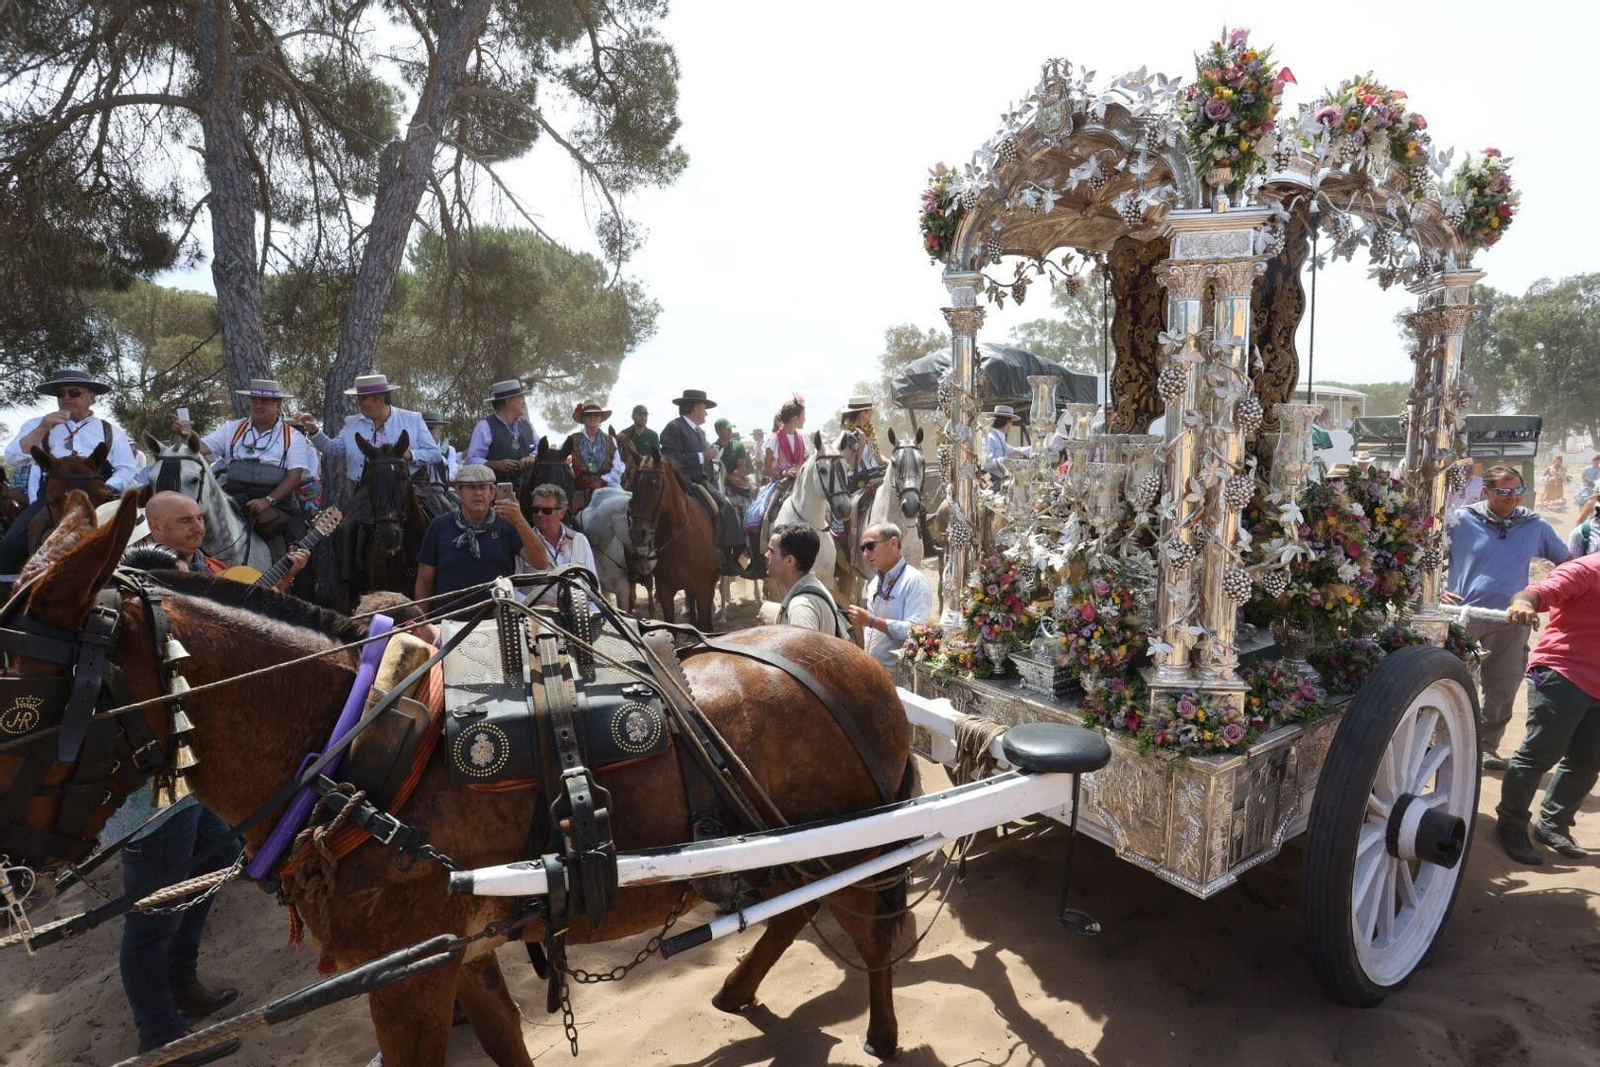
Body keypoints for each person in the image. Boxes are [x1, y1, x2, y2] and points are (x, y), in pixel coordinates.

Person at [1442, 464, 1569, 769]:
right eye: (1504, 491)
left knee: (1503, 685)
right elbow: (1426, 556)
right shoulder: (1460, 520)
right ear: (1485, 491)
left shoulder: (1535, 525)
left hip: (1511, 622)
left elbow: (1566, 565)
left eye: (1517, 491)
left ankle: (1486, 746)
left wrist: (1538, 593)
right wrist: (1436, 591)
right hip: (1461, 619)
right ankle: (1441, 744)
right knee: (1448, 682)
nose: (1512, 498)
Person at [1494, 552, 1600, 863]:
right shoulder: (1587, 568)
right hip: (1563, 673)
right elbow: (1539, 592)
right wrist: (1524, 603)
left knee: (1587, 760)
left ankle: (1554, 825)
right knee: (1540, 753)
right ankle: (1511, 826)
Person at [0, 368, 139, 583]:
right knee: (9, 547)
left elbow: (126, 468)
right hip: (51, 500)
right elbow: (12, 457)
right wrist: (42, 429)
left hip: (99, 500)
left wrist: (107, 489)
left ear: (91, 398)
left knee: (135, 540)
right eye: (61, 394)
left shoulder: (111, 430)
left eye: (73, 393)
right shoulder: (38, 424)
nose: (65, 398)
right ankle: (13, 599)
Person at [293, 373, 450, 520]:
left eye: (362, 398)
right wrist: (313, 430)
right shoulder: (352, 422)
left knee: (440, 518)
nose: (358, 402)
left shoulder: (412, 419)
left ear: (379, 399)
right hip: (368, 489)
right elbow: (332, 448)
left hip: (410, 485)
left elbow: (434, 454)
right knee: (345, 529)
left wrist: (411, 455)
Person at [181, 379, 314, 545]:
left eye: (264, 401)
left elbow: (294, 477)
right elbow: (200, 448)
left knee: (297, 539)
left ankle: (293, 570)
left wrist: (267, 500)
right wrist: (186, 432)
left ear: (277, 405)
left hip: (275, 501)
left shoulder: (294, 437)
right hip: (231, 498)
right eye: (254, 400)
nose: (258, 405)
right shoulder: (232, 428)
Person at [415, 464, 546, 613]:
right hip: (450, 624)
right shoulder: (439, 526)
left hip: (499, 622)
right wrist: (422, 625)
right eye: (471, 488)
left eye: (483, 487)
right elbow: (424, 584)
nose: (478, 493)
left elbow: (540, 563)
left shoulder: (508, 525)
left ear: (492, 492)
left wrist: (520, 520)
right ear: (458, 491)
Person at [145, 491, 310, 589]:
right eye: (185, 520)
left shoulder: (217, 568)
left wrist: (286, 577)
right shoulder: (141, 576)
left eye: (200, 518)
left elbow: (251, 607)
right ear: (156, 527)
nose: (199, 528)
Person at [659, 388, 748, 569]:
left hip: (701, 482)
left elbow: (705, 463)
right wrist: (702, 456)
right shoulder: (673, 428)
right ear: (694, 409)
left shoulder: (699, 432)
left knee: (727, 508)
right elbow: (670, 459)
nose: (706, 413)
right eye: (704, 408)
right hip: (681, 483)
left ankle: (727, 555)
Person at [845, 522, 934, 667]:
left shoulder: (915, 581)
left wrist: (872, 621)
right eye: (862, 548)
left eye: (871, 546)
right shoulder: (874, 583)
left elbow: (916, 630)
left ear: (893, 543)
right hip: (873, 668)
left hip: (900, 672)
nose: (865, 554)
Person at [517, 483, 599, 609]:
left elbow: (593, 588)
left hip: (576, 619)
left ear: (561, 513)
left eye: (546, 510)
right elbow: (512, 589)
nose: (539, 514)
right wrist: (538, 605)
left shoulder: (579, 540)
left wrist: (592, 619)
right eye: (535, 509)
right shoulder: (522, 542)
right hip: (537, 620)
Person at [768, 522, 851, 638]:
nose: (766, 555)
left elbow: (801, 655)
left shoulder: (801, 608)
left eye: (771, 551)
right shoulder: (812, 590)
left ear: (789, 561)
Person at [564, 401, 623, 512]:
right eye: (588, 415)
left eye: (596, 414)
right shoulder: (572, 440)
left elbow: (617, 468)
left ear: (600, 418)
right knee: (567, 513)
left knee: (626, 508)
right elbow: (563, 462)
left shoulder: (611, 440)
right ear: (583, 418)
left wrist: (603, 481)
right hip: (580, 490)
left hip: (607, 487)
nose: (593, 417)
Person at [981, 404, 1034, 479]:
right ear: (1008, 423)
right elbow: (986, 465)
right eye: (1011, 422)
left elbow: (1015, 450)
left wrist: (1036, 448)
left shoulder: (1000, 438)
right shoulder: (990, 438)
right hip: (991, 483)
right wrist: (1007, 458)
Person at [762, 396, 808, 482]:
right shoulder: (774, 440)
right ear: (795, 419)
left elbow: (806, 463)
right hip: (780, 482)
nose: (805, 419)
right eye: (803, 416)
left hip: (800, 482)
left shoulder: (803, 439)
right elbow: (765, 470)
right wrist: (783, 473)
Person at [714, 418, 752, 504]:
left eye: (730, 429)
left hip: (739, 483)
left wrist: (734, 477)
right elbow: (714, 470)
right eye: (727, 429)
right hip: (720, 486)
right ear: (718, 432)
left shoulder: (738, 445)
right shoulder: (713, 449)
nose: (730, 431)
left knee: (749, 507)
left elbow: (742, 465)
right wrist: (730, 478)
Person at [422, 412, 461, 486]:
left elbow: (452, 474)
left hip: (442, 489)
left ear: (440, 430)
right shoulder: (414, 450)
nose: (426, 431)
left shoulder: (449, 450)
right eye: (423, 428)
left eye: (430, 428)